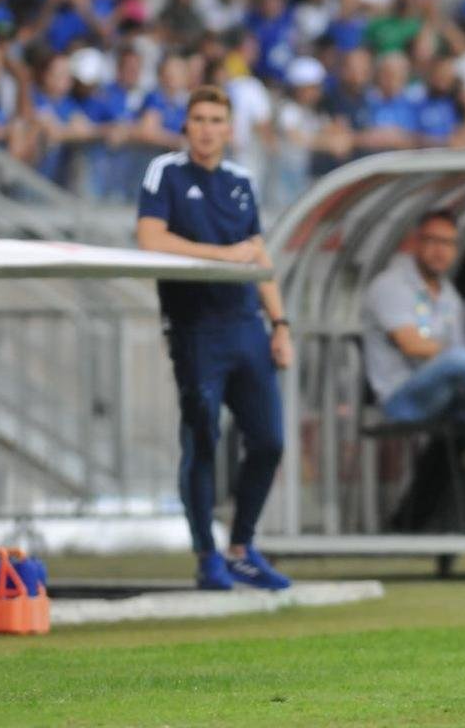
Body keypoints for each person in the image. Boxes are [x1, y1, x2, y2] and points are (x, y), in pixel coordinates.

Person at [135, 85, 292, 591]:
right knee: (202, 436)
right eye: (198, 118)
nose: (206, 128)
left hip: (247, 326)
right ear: (186, 126)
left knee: (269, 441)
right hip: (195, 329)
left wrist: (281, 324)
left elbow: (259, 255)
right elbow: (150, 239)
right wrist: (224, 257)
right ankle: (207, 554)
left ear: (229, 128)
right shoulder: (166, 173)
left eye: (215, 119)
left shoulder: (242, 181)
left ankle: (242, 546)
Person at [361, 210, 465, 516]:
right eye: (433, 240)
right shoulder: (391, 285)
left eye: (448, 243)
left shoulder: (449, 296)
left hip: (446, 398)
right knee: (460, 359)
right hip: (402, 399)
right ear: (414, 242)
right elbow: (411, 343)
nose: (440, 250)